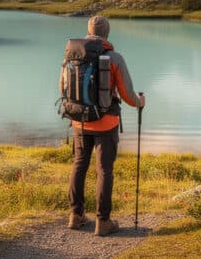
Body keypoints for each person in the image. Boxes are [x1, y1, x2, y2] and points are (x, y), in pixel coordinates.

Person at [67, 15, 145, 236]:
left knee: (79, 164)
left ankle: (76, 215)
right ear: (107, 33)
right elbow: (128, 96)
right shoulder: (114, 58)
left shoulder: (73, 54)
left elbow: (63, 86)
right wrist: (140, 101)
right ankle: (103, 222)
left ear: (88, 30)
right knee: (104, 170)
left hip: (79, 121)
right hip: (106, 122)